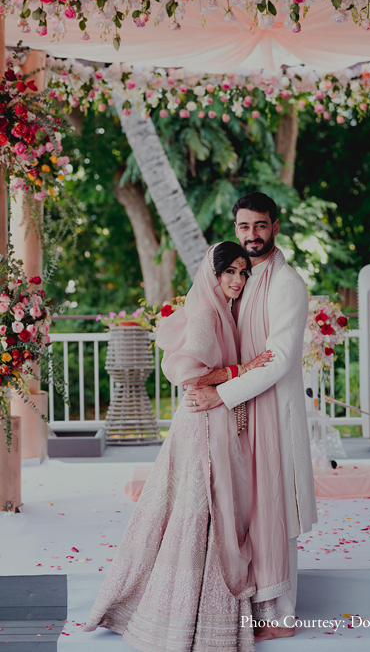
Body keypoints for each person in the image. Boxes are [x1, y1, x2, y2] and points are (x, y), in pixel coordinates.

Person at [82, 241, 286, 652]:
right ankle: (187, 614)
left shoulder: (222, 310)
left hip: (214, 418)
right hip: (204, 423)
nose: (237, 280)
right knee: (208, 506)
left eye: (243, 272)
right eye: (230, 271)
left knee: (212, 506)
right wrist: (242, 369)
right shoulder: (206, 312)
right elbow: (188, 374)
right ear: (213, 273)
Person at [186, 193, 318, 642]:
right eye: (244, 226)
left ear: (275, 227)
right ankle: (251, 604)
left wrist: (220, 394)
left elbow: (278, 359)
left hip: (271, 411)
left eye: (260, 225)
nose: (252, 235)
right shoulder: (237, 278)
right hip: (241, 410)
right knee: (248, 508)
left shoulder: (286, 284)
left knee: (275, 507)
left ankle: (280, 614)